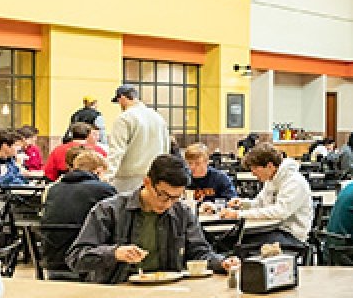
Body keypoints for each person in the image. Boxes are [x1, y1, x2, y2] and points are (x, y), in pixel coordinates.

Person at [68, 154, 236, 284]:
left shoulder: (182, 212)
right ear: (147, 182)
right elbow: (76, 258)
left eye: (176, 198)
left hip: (170, 291)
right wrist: (114, 253)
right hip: (117, 292)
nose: (168, 204)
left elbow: (199, 253)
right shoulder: (109, 210)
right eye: (163, 196)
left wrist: (222, 263)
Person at [221, 144, 313, 249]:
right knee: (228, 239)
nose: (253, 173)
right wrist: (242, 204)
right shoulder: (271, 179)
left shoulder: (294, 182)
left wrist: (239, 215)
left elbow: (280, 212)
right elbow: (260, 203)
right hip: (271, 229)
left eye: (255, 168)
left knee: (240, 244)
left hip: (291, 235)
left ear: (269, 166)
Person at [41, 147, 117, 271]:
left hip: (52, 259)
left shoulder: (53, 189)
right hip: (85, 261)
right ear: (97, 172)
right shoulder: (104, 189)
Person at [106, 84, 170, 194]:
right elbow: (165, 148)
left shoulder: (124, 118)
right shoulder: (157, 117)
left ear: (122, 98)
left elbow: (116, 150)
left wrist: (107, 176)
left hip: (127, 180)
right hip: (152, 178)